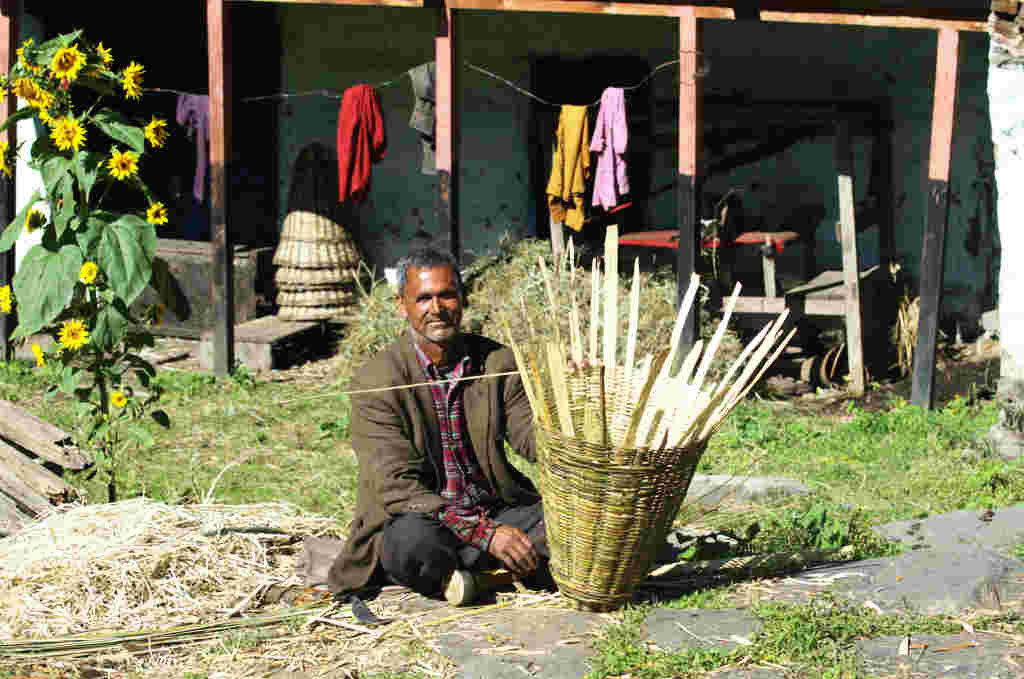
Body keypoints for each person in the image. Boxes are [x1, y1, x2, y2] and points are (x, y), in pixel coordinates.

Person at [327, 247, 550, 601]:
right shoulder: (377, 380)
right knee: (408, 544)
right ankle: (493, 565)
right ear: (402, 306)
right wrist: (487, 535)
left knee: (570, 524)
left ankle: (468, 576)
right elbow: (396, 486)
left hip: (495, 509)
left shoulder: (496, 361)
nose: (437, 308)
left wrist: (573, 411)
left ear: (463, 299)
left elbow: (532, 436)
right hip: (427, 518)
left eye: (447, 295)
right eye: (424, 298)